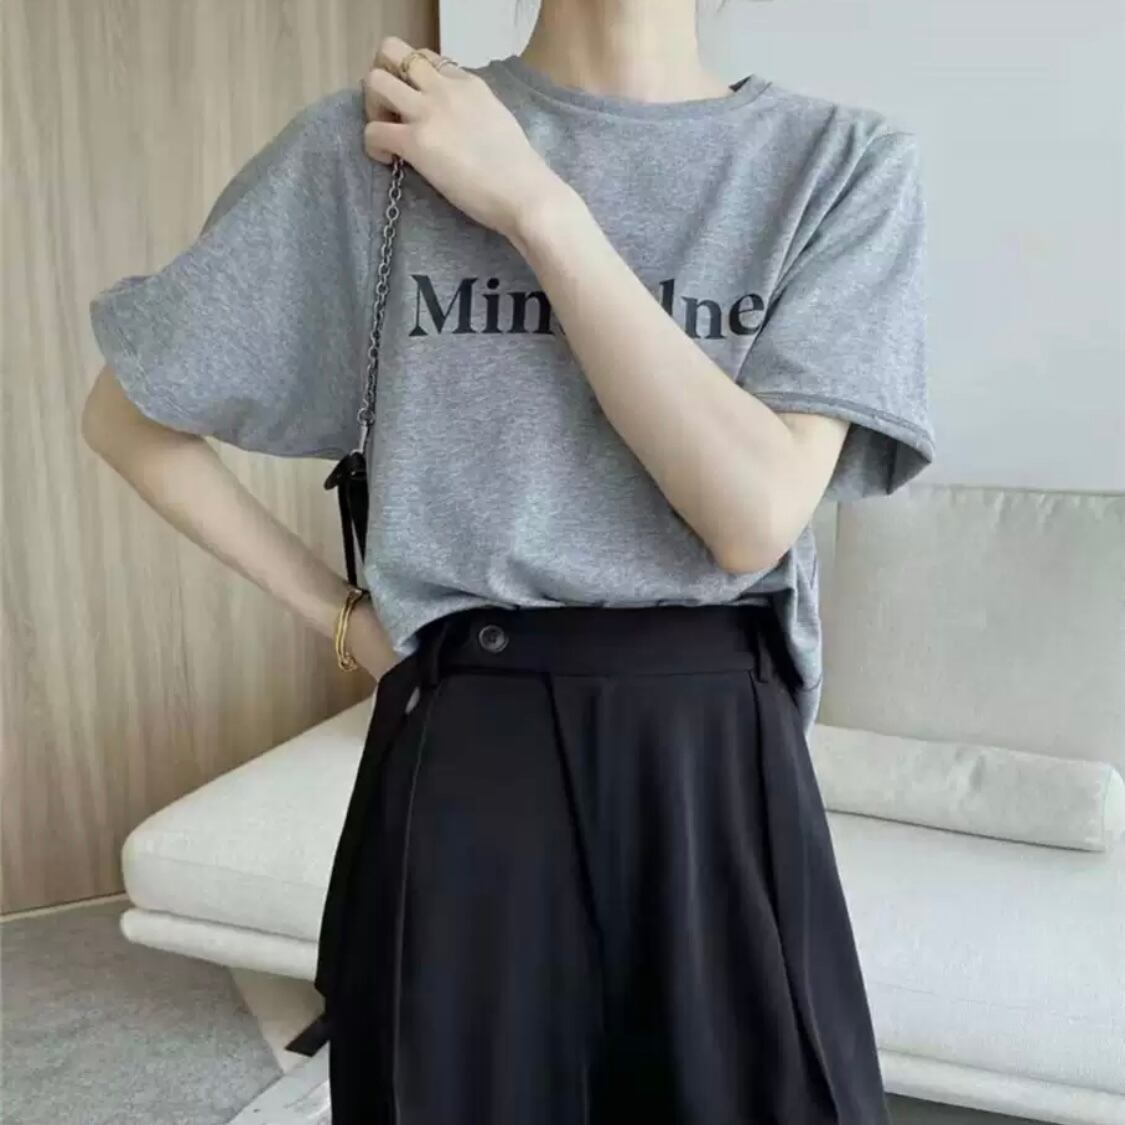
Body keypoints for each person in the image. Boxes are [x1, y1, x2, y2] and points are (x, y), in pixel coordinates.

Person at [82, 4, 935, 1123]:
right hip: (466, 740)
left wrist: (534, 204)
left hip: (717, 756)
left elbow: (753, 515)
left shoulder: (836, 163)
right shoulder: (381, 141)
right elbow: (127, 414)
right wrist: (345, 620)